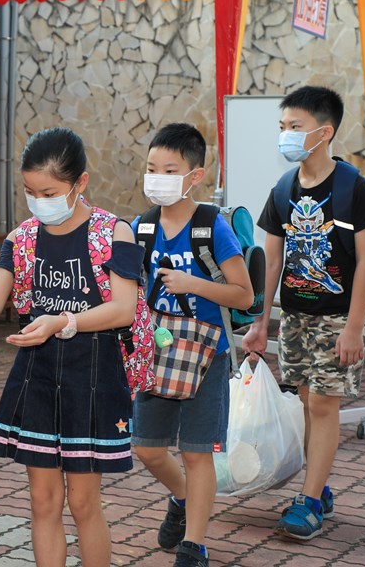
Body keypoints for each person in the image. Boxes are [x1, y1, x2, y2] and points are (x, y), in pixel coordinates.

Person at [0, 127, 142, 567]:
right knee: (42, 502)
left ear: (80, 183)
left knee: (83, 503)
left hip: (94, 376)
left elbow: (123, 310)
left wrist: (63, 321)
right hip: (39, 374)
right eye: (29, 191)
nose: (38, 200)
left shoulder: (113, 232)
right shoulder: (22, 238)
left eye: (49, 191)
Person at [242, 86, 365, 541]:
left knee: (322, 403)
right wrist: (262, 324)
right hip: (296, 316)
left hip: (339, 317)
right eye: (282, 127)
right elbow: (272, 262)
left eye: (294, 127)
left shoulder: (354, 188)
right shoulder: (283, 190)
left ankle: (311, 501)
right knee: (304, 403)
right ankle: (320, 486)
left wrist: (355, 327)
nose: (286, 136)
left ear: (325, 132)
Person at [131, 123, 253, 567]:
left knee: (198, 452)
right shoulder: (141, 228)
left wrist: (194, 284)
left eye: (169, 169)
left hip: (207, 354)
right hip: (157, 351)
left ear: (194, 175)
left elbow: (244, 294)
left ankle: (194, 544)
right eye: (150, 168)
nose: (157, 177)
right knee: (146, 446)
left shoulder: (211, 227)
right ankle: (182, 499)